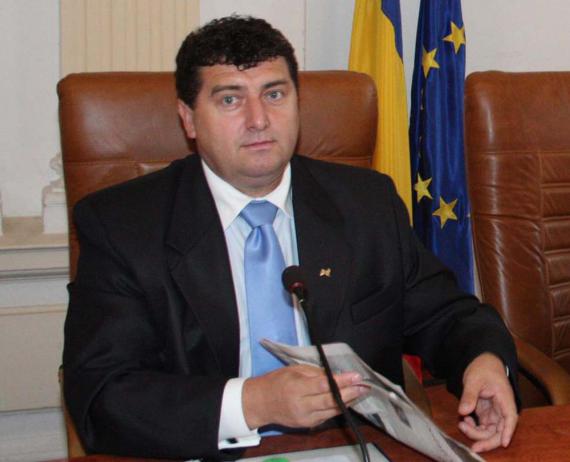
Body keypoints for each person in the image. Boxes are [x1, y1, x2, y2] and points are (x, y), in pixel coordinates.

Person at [63, 15, 519, 460]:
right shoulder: (123, 225)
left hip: (351, 449)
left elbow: (447, 315)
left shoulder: (366, 203)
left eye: (274, 94)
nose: (259, 120)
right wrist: (253, 402)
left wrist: (483, 361)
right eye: (230, 99)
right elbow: (101, 394)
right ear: (189, 119)